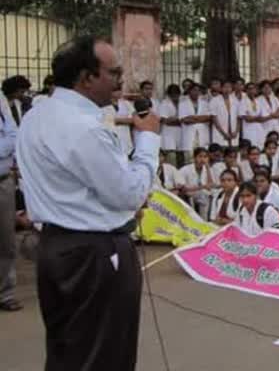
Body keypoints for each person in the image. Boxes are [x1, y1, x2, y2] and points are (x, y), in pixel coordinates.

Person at [16, 36, 161, 370]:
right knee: (104, 354)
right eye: (114, 72)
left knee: (68, 350)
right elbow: (128, 192)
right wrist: (149, 140)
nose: (122, 80)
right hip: (94, 254)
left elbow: (78, 188)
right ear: (86, 77)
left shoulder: (38, 115)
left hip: (56, 247)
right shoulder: (82, 127)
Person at [0, 85, 19, 312]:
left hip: (4, 180)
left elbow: (14, 134)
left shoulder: (1, 100)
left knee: (6, 240)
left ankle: (5, 292)